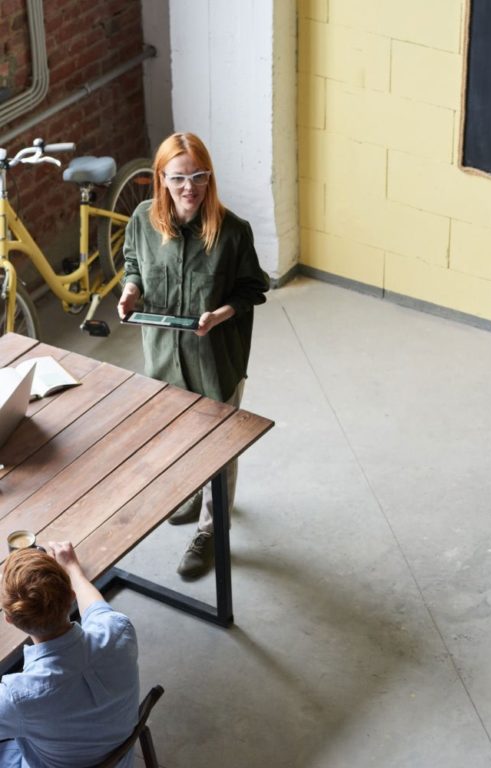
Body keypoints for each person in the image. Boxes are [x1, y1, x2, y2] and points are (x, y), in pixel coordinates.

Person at [118, 132, 270, 580]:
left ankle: (211, 528)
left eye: (199, 177)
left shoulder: (233, 231)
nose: (190, 188)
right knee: (179, 438)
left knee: (219, 449)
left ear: (209, 177)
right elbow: (133, 263)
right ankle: (191, 494)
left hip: (215, 362)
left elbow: (252, 288)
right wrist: (131, 290)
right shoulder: (143, 220)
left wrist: (221, 314)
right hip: (164, 359)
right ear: (161, 178)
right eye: (179, 178)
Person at [0, 543, 139, 767]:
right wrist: (73, 567)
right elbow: (96, 608)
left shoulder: (17, 698)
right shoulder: (119, 631)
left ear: (9, 619)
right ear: (72, 596)